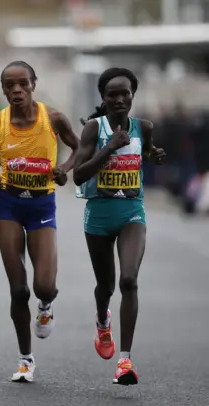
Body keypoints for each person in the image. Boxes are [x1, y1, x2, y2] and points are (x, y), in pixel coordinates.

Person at [0, 61, 80, 382]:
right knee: (19, 289)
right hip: (8, 205)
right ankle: (25, 359)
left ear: (34, 84)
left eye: (23, 84)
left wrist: (65, 168)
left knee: (43, 286)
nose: (17, 90)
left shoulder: (55, 119)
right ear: (4, 89)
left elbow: (79, 147)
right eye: (10, 85)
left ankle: (46, 305)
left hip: (41, 207)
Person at [73, 67, 165, 386]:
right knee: (106, 287)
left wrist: (154, 155)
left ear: (132, 96)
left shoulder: (144, 127)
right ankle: (102, 319)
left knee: (129, 280)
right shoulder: (93, 130)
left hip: (131, 213)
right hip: (98, 215)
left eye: (125, 93)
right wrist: (109, 147)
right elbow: (79, 175)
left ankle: (124, 361)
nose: (120, 98)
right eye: (113, 93)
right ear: (104, 98)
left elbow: (147, 152)